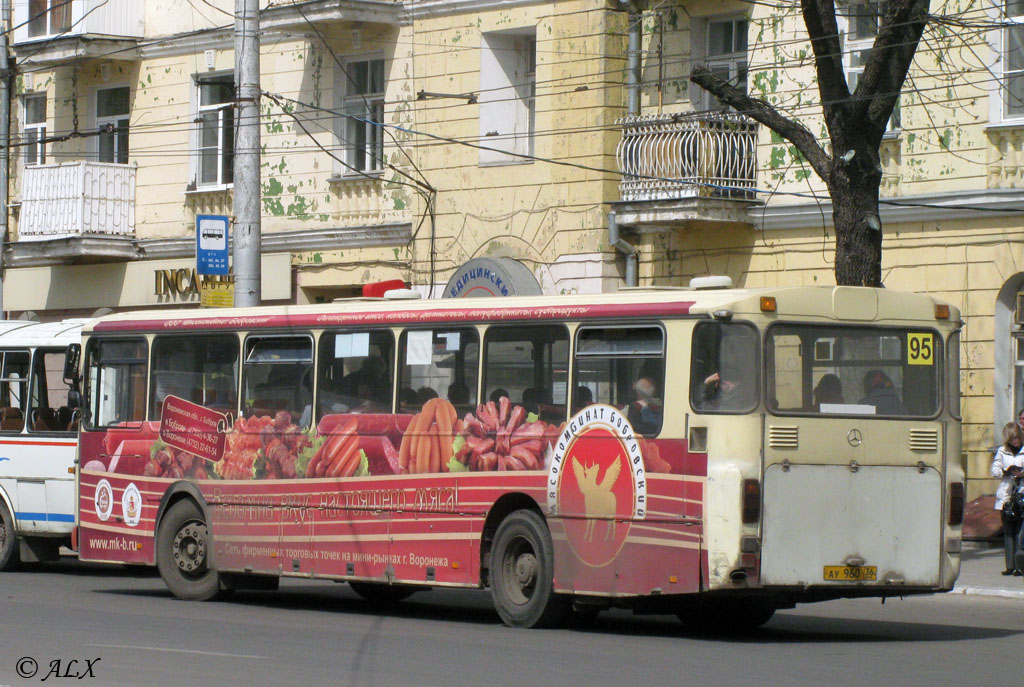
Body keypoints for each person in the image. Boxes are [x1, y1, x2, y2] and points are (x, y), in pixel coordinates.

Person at [992, 422, 1024, 575]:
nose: (1015, 441)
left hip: (1022, 494)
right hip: (1006, 496)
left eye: (1017, 438)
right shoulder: (1002, 451)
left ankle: (1019, 566)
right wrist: (1006, 471)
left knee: (1020, 532)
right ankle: (1009, 566)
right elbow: (994, 471)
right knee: (1008, 531)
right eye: (1012, 439)